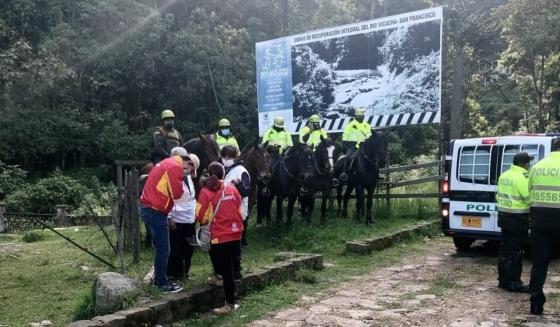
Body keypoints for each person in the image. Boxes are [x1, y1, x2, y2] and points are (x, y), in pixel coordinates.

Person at [196, 162, 244, 314]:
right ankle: (219, 277)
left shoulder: (205, 192)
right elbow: (238, 208)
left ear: (209, 174)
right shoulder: (232, 188)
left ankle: (229, 304)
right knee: (230, 267)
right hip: (236, 234)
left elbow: (201, 217)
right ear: (224, 174)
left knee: (227, 271)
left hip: (220, 236)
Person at [140, 148, 189, 293]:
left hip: (151, 209)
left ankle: (160, 279)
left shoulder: (166, 164)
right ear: (186, 162)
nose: (188, 173)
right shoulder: (175, 167)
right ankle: (161, 282)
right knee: (164, 249)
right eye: (190, 168)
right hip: (155, 211)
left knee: (161, 248)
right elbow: (177, 193)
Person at [528, 139, 560, 315]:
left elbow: (529, 191)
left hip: (540, 222)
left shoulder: (537, 167)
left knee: (539, 264)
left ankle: (535, 304)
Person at [496, 152, 532, 293]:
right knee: (516, 252)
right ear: (524, 164)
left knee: (504, 250)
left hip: (504, 217)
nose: (529, 165)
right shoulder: (522, 177)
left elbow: (497, 195)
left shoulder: (504, 175)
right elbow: (529, 198)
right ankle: (514, 283)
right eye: (528, 162)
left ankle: (503, 280)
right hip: (518, 219)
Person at [167, 149, 200, 281]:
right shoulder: (171, 175)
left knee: (188, 248)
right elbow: (167, 197)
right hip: (176, 218)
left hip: (190, 218)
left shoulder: (187, 177)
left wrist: (195, 213)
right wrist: (169, 218)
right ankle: (171, 274)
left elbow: (191, 198)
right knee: (175, 248)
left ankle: (184, 273)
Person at [222, 145, 251, 247]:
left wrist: (238, 185)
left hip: (238, 210)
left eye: (229, 157)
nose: (226, 160)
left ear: (235, 157)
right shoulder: (224, 169)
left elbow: (246, 192)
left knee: (236, 241)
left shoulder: (241, 170)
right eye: (224, 157)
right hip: (225, 211)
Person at [339, 108, 371, 181]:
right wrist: (345, 145)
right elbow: (345, 135)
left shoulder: (367, 125)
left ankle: (376, 173)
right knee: (347, 157)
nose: (359, 117)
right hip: (352, 146)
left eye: (361, 116)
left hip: (364, 145)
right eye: (358, 116)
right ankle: (344, 173)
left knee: (372, 156)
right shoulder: (350, 125)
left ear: (363, 116)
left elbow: (369, 135)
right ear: (355, 116)